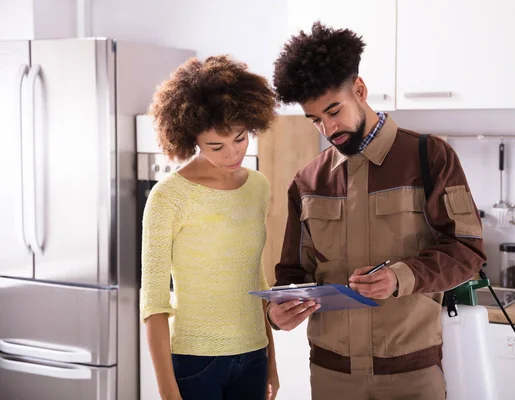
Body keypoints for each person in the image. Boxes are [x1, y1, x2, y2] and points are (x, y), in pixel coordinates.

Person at [266, 22, 487, 400]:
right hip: (331, 375)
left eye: (333, 111)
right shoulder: (307, 181)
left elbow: (468, 251)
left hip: (411, 375)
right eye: (315, 119)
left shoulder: (431, 157)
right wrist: (280, 310)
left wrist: (401, 277)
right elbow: (293, 273)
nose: (327, 127)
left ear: (360, 90)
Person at [141, 55, 279, 400]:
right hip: (195, 362)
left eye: (240, 138)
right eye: (215, 146)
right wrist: (168, 393)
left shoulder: (258, 186)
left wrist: (271, 359)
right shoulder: (168, 196)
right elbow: (154, 303)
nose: (232, 154)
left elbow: (254, 277)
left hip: (253, 356)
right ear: (191, 139)